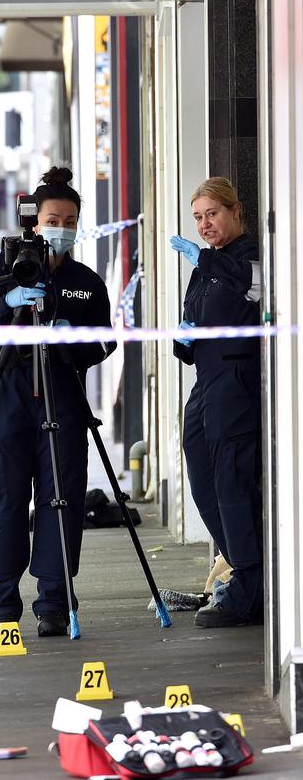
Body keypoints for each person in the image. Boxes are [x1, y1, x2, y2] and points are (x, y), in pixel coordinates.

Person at [0, 166, 116, 639]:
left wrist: (73, 340)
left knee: (61, 499)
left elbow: (106, 343)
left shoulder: (86, 282)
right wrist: (9, 302)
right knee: (6, 499)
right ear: (34, 221)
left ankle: (55, 601)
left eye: (71, 222)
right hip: (8, 396)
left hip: (64, 400)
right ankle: (0, 606)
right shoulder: (0, 267)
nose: (63, 229)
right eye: (55, 219)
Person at [171, 177, 262, 628]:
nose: (205, 224)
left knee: (232, 481)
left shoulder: (253, 258)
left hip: (236, 382)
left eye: (212, 213)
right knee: (203, 478)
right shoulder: (203, 268)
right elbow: (192, 322)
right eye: (198, 218)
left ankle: (250, 582)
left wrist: (205, 261)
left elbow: (256, 289)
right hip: (205, 382)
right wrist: (182, 337)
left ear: (235, 210)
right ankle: (236, 565)